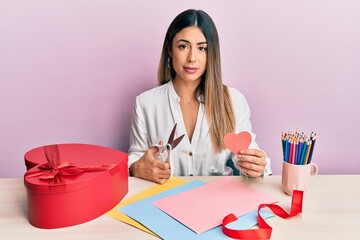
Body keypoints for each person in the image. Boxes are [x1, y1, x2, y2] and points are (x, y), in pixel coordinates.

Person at [128, 9, 271, 184]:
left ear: (211, 54)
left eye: (202, 48)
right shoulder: (145, 103)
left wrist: (257, 165)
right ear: (170, 49)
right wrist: (135, 167)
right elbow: (136, 156)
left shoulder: (234, 101)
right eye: (183, 46)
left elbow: (250, 154)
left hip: (219, 201)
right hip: (164, 200)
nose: (192, 58)